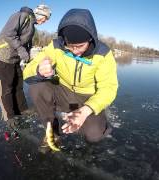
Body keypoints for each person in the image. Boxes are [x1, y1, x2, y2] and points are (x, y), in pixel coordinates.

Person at [23, 8, 118, 143]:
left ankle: (95, 119)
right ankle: (52, 132)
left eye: (80, 46)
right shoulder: (56, 46)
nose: (75, 52)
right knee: (37, 87)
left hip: (87, 97)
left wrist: (86, 110)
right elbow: (27, 72)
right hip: (63, 90)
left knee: (94, 136)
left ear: (90, 39)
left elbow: (109, 88)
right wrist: (38, 70)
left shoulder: (103, 54)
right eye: (70, 46)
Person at [0, 4, 51, 129]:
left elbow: (26, 45)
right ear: (40, 14)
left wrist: (28, 57)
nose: (45, 21)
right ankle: (9, 116)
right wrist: (20, 49)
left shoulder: (32, 27)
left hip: (14, 58)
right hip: (3, 56)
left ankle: (22, 110)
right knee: (6, 88)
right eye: (45, 18)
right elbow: (8, 34)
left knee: (18, 85)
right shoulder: (21, 16)